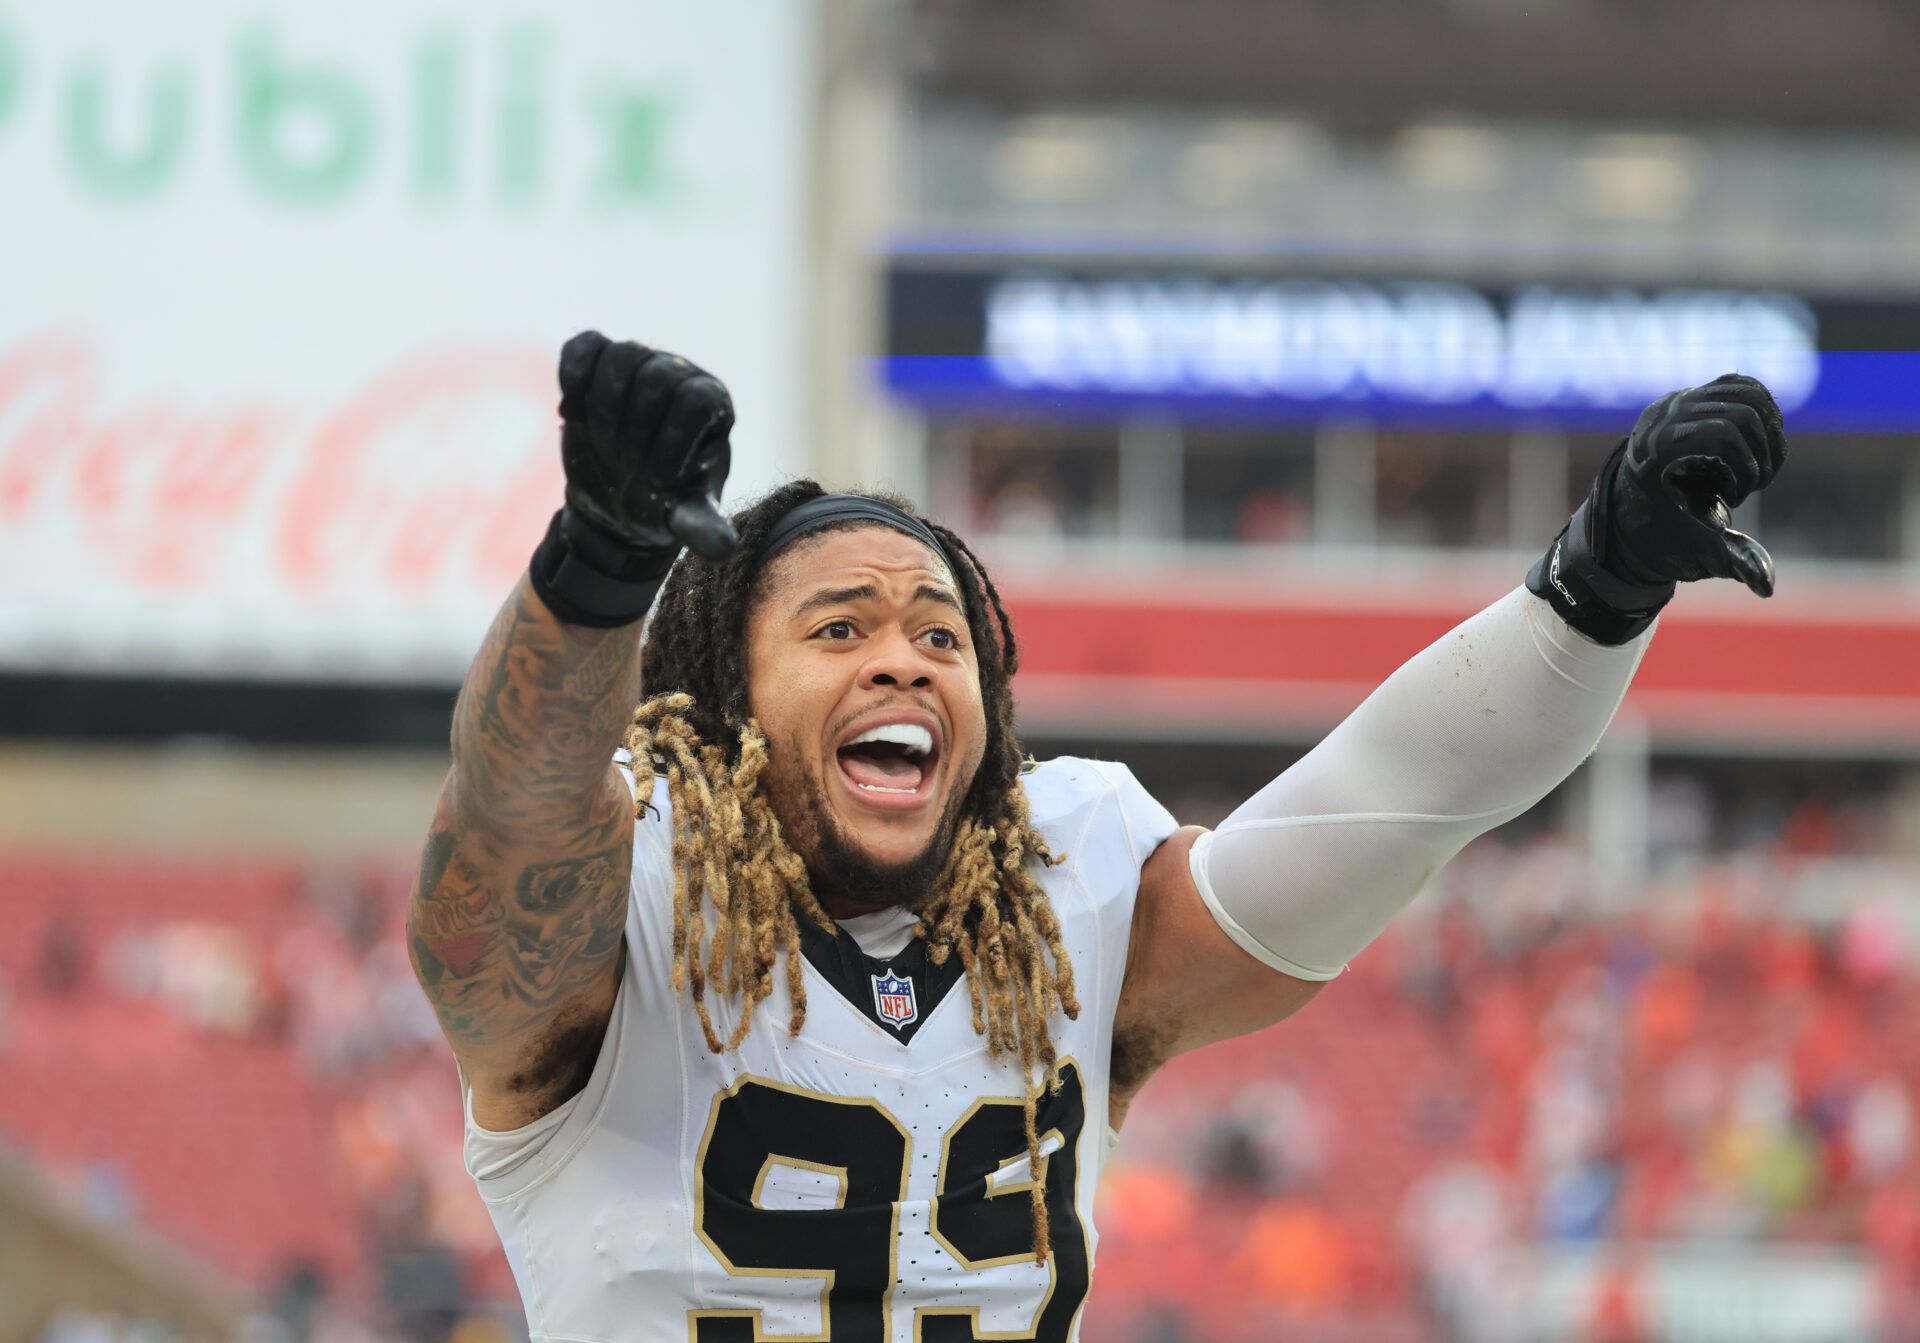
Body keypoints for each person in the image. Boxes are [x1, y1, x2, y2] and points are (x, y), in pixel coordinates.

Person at [407, 331, 1788, 1341]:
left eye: (938, 634)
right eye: (840, 627)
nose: (903, 660)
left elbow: (1377, 809)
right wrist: (596, 570)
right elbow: (506, 831)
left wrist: (1591, 593)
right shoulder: (630, 893)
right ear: (724, 703)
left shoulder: (1068, 899)